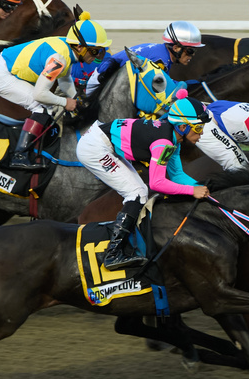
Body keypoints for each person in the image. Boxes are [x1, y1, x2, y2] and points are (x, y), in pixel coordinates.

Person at [76, 97, 211, 270]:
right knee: (137, 193)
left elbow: (177, 175)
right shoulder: (164, 143)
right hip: (95, 147)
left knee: (139, 191)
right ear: (182, 127)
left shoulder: (172, 138)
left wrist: (202, 189)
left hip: (104, 141)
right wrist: (192, 191)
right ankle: (113, 253)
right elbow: (157, 183)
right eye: (199, 128)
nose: (201, 134)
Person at [0, 12, 111, 169]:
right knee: (41, 107)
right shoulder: (58, 59)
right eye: (94, 51)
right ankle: (19, 155)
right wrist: (66, 102)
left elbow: (65, 80)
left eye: (100, 51)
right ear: (79, 47)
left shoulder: (68, 47)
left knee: (49, 108)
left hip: (6, 69)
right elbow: (40, 94)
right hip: (0, 75)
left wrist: (77, 100)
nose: (97, 56)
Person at [85, 21, 205, 96]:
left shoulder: (162, 54)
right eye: (190, 51)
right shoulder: (160, 60)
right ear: (176, 48)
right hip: (100, 85)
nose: (192, 55)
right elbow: (162, 90)